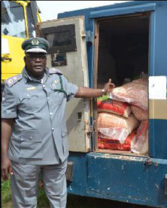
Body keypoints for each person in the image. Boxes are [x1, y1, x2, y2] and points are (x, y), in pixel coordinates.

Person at [1, 37, 115, 208]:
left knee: (58, 199)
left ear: (45, 58)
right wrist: (4, 156)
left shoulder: (58, 79)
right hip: (26, 157)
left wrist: (103, 91)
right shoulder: (13, 87)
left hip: (56, 154)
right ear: (25, 59)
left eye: (41, 55)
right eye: (33, 56)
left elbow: (79, 91)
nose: (37, 60)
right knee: (25, 202)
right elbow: (6, 121)